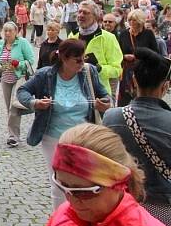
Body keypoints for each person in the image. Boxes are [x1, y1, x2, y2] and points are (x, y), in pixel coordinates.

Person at [20, 124, 171, 226]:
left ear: (118, 183)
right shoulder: (64, 216)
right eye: (63, 186)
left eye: (85, 192)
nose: (71, 200)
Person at [17, 39, 111, 209]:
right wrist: (35, 103)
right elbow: (22, 91)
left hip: (83, 139)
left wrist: (104, 103)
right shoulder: (45, 75)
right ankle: (60, 222)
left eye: (83, 58)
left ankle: (81, 219)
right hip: (53, 138)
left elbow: (106, 96)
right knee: (59, 183)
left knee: (84, 183)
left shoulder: (88, 72)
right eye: (78, 60)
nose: (82, 63)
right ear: (64, 59)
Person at [103, 48, 171, 226]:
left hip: (122, 206)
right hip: (163, 207)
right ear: (165, 86)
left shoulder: (111, 117)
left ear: (133, 81)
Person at [68, 0, 123, 96]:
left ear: (95, 17)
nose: (81, 15)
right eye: (79, 12)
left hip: (99, 93)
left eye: (85, 13)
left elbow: (117, 70)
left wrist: (98, 69)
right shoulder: (72, 36)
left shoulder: (108, 38)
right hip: (76, 92)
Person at [0, 22, 36, 147]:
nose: (7, 33)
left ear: (16, 32)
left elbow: (30, 60)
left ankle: (13, 136)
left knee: (14, 107)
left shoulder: (22, 43)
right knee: (9, 107)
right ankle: (12, 132)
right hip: (5, 78)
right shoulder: (1, 43)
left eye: (10, 31)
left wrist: (18, 64)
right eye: (5, 31)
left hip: (20, 78)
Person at [117, 9, 159, 106]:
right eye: (130, 19)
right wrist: (124, 56)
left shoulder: (148, 34)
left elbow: (155, 53)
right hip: (127, 71)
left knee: (142, 97)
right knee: (125, 97)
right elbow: (118, 52)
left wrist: (138, 56)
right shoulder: (124, 34)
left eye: (134, 20)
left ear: (140, 21)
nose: (131, 22)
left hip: (144, 70)